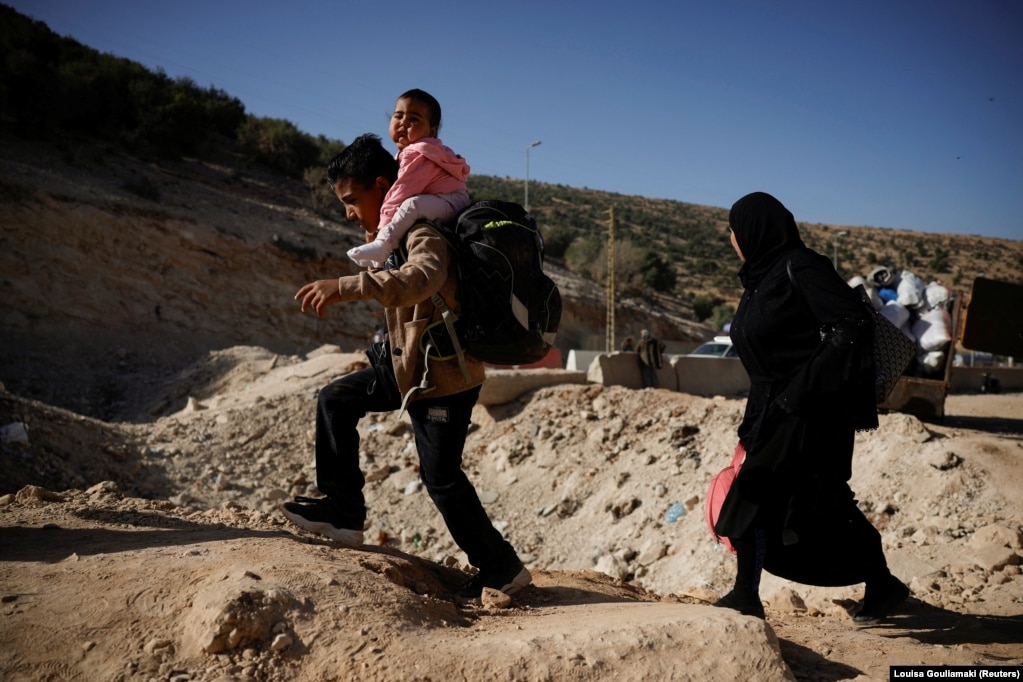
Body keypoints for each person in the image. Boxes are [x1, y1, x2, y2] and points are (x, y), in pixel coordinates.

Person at [287, 133, 531, 599]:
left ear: (382, 186)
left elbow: (422, 278)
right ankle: (342, 511)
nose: (349, 213)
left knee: (441, 478)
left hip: (443, 377)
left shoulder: (422, 232)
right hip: (407, 369)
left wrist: (348, 285)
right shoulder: (392, 234)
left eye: (352, 200)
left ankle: (502, 569)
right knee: (335, 400)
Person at [713, 191, 909, 622]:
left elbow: (850, 324)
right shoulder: (760, 281)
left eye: (734, 230)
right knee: (820, 503)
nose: (731, 239)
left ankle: (745, 595)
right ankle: (884, 585)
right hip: (774, 410)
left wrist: (800, 390)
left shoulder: (801, 267)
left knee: (754, 492)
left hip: (810, 411)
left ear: (755, 230)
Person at [346, 89, 470, 268]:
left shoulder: (420, 153)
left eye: (414, 119)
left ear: (432, 131)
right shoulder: (411, 153)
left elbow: (402, 191)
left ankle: (384, 245)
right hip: (445, 199)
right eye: (398, 116)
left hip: (450, 201)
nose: (404, 123)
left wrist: (383, 224)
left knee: (411, 205)